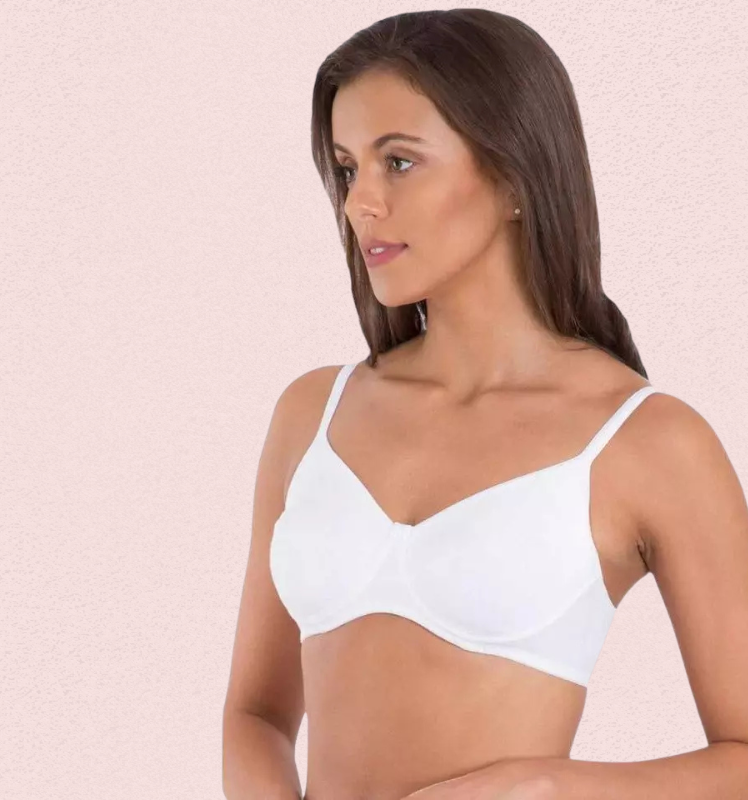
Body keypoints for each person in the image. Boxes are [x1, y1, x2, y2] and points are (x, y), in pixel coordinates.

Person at [223, 10, 748, 800]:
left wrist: (545, 786)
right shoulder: (312, 414)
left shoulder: (647, 443)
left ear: (512, 178)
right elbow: (256, 713)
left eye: (399, 162)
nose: (360, 203)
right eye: (347, 167)